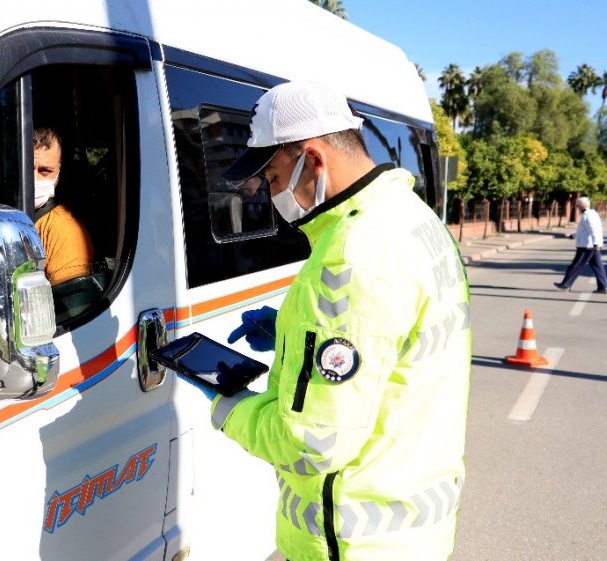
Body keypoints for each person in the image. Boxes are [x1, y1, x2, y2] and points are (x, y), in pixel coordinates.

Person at [183, 81, 472, 561]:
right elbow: (391, 342)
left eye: (273, 178)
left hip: (353, 541)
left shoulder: (349, 258)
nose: (270, 193)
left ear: (313, 160)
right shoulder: (413, 219)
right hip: (414, 528)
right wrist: (293, 333)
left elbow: (312, 445)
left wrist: (227, 407)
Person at [32, 128, 95, 285]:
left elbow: (73, 305)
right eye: (27, 169)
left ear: (60, 173)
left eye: (45, 171)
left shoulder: (63, 230)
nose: (33, 179)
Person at [553, 196, 607, 293]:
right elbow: (585, 231)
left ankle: (566, 284)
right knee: (598, 266)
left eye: (578, 205)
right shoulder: (593, 214)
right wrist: (574, 235)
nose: (577, 208)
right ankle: (603, 287)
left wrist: (596, 243)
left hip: (587, 246)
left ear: (582, 206)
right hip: (591, 245)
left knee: (575, 265)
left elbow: (593, 230)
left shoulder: (587, 215)